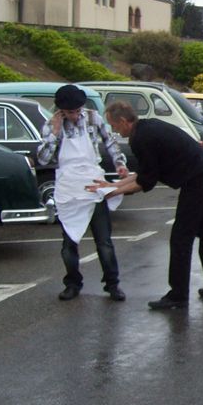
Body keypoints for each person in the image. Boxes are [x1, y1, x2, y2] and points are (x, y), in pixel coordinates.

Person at [94, 101, 203, 310]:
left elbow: (146, 182)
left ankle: (178, 295)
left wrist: (112, 192)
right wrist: (114, 185)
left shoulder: (140, 139)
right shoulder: (146, 128)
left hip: (197, 179)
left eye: (114, 125)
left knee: (181, 237)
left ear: (123, 121)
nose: (113, 131)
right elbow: (146, 174)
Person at [38, 84, 129, 302]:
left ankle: (113, 283)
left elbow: (110, 141)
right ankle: (72, 282)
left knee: (104, 241)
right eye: (70, 112)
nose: (76, 115)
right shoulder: (52, 126)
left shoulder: (94, 118)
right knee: (70, 242)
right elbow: (43, 158)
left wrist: (119, 163)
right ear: (61, 111)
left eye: (78, 110)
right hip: (68, 186)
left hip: (92, 183)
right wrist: (56, 133)